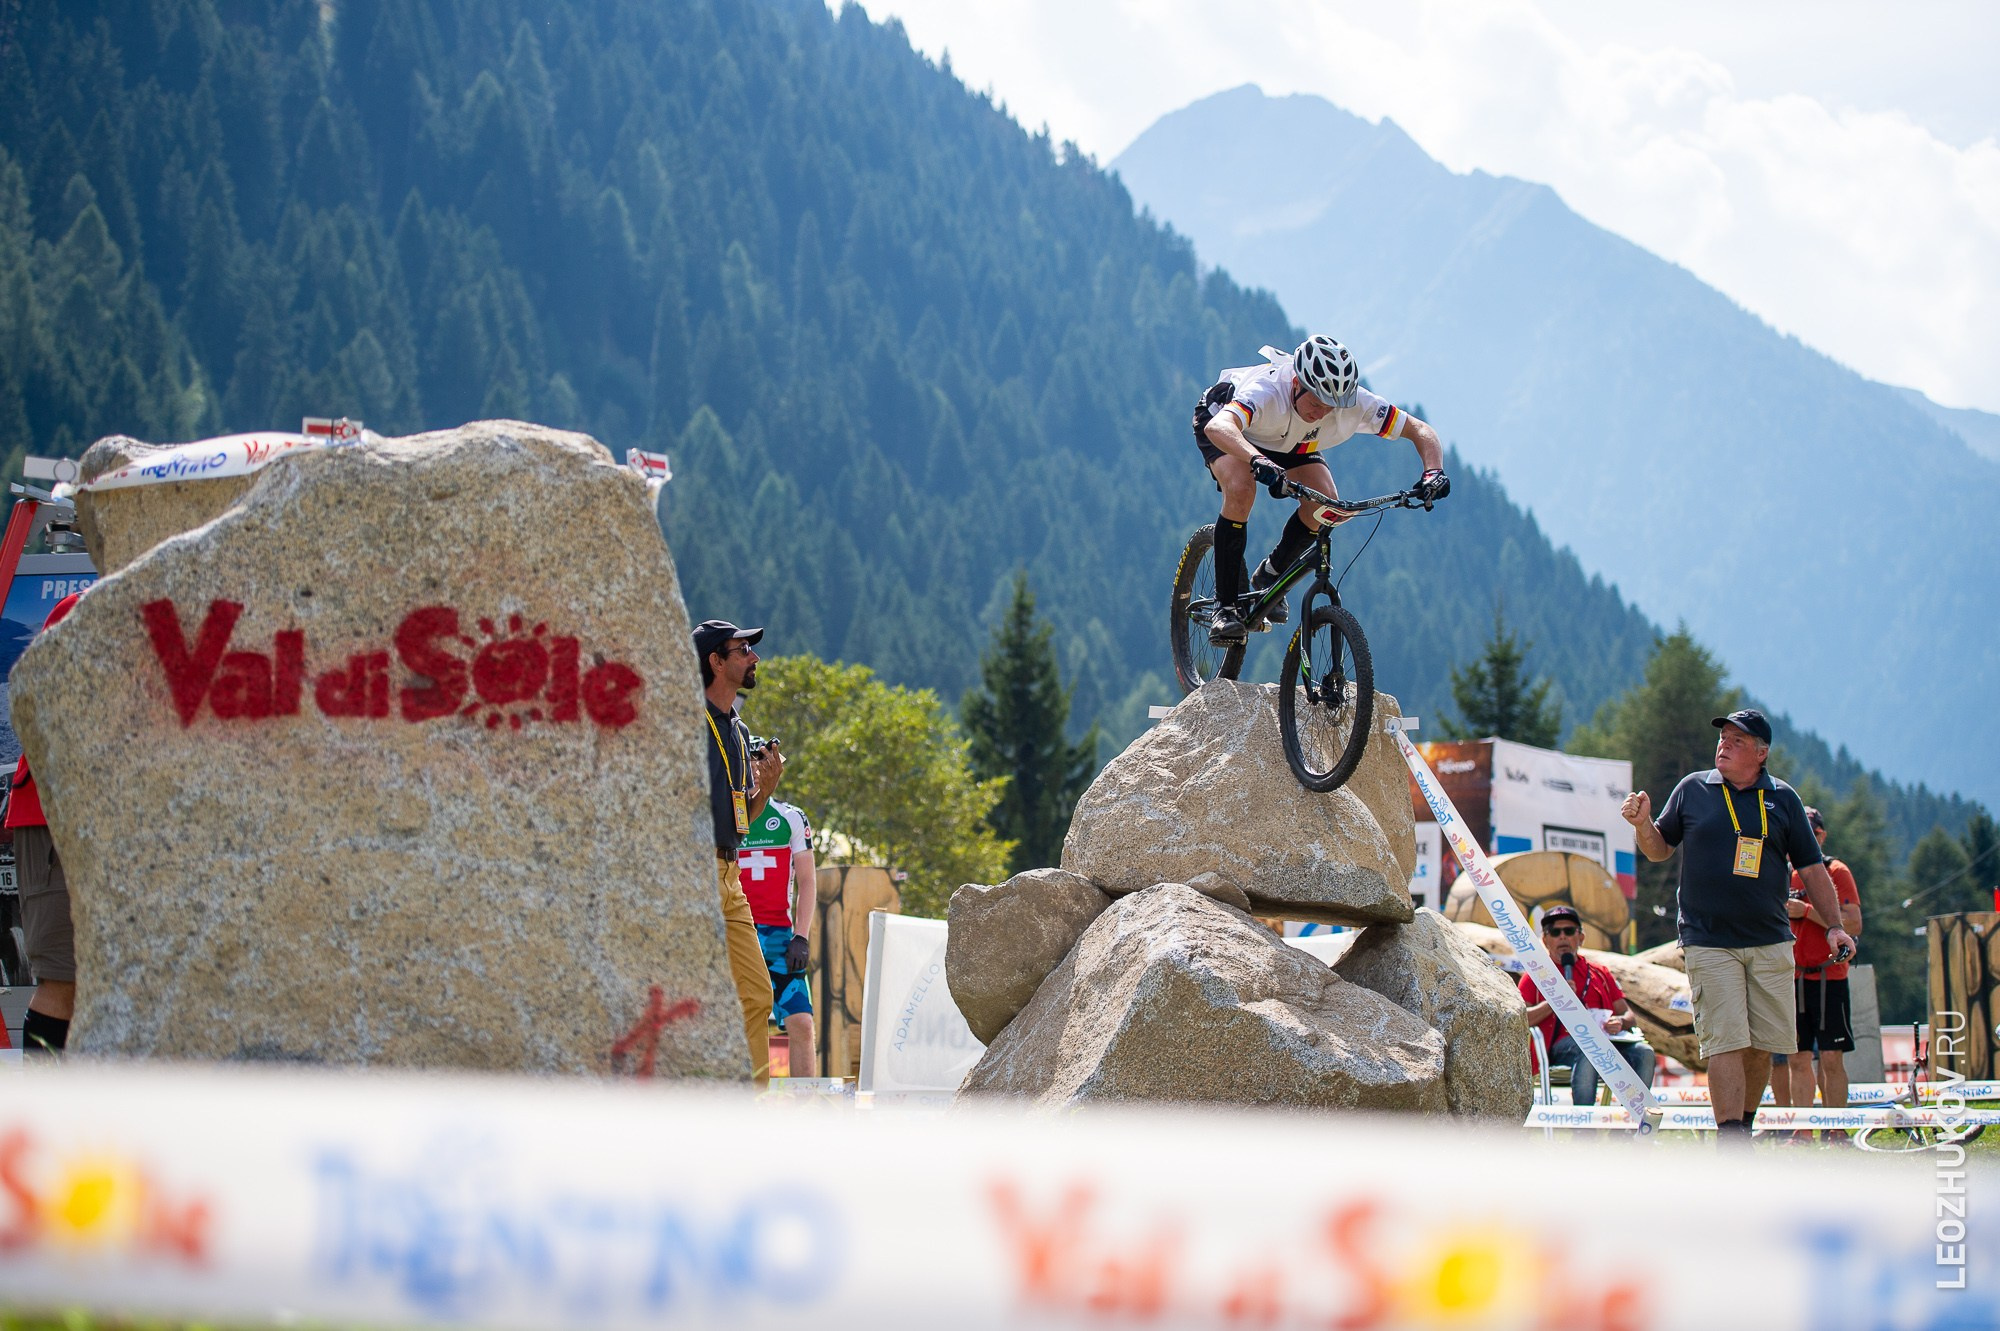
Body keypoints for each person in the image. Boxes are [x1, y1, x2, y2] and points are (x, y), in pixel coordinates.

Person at [1622, 709, 1855, 1142]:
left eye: (1737, 740)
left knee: (1760, 1044)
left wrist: (1835, 927)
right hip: (1708, 939)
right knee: (1725, 1040)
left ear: (1761, 753)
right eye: (1723, 737)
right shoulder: (1693, 789)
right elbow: (1658, 850)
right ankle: (1731, 1140)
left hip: (1769, 939)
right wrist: (1641, 826)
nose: (1723, 744)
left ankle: (1742, 1128)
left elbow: (1812, 868)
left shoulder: (1784, 799)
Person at [1192, 335, 1450, 643]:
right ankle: (1224, 609)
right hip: (1230, 427)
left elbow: (1420, 430)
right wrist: (1256, 459)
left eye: (1331, 406)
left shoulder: (1353, 402)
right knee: (1241, 489)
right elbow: (1219, 427)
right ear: (1297, 383)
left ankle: (1271, 574)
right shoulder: (1267, 391)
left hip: (1291, 441)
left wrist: (1433, 471)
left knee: (1329, 508)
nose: (1322, 412)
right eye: (1316, 402)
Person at [696, 618, 783, 1087]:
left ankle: (752, 1105)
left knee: (757, 994)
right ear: (716, 661)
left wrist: (765, 788)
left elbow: (742, 821)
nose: (754, 657)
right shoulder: (690, 724)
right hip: (695, 874)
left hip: (730, 874)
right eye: (742, 649)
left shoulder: (736, 727)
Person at [5, 592, 83, 1055]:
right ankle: (45, 1112)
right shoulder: (88, 605)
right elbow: (40, 697)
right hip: (55, 818)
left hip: (102, 825)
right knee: (65, 978)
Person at [1517, 904, 1656, 1106]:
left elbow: (1628, 1015)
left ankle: (1637, 1126)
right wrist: (1556, 1000)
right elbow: (1523, 1019)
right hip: (1560, 1046)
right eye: (1555, 932)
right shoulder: (1535, 976)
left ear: (1581, 937)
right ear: (1545, 940)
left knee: (1644, 1053)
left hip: (1607, 1041)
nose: (1562, 937)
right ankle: (1584, 1130)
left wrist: (1620, 1021)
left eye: (1569, 931)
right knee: (1590, 1050)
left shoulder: (1600, 973)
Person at [1782, 805, 1863, 1118]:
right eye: (1800, 834)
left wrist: (1807, 912)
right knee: (1798, 1059)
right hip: (1793, 979)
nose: (1806, 839)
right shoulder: (1781, 872)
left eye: (1812, 834)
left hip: (1830, 977)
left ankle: (1836, 1127)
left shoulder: (1837, 872)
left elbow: (1853, 924)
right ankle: (1801, 1129)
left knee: (1831, 1057)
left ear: (1822, 835)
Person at [737, 785, 818, 1078]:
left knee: (802, 1023)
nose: (756, 769)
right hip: (738, 932)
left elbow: (807, 881)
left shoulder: (791, 817)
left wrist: (801, 936)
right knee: (746, 1020)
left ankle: (804, 1108)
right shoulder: (727, 816)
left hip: (780, 937)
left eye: (762, 760)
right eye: (750, 760)